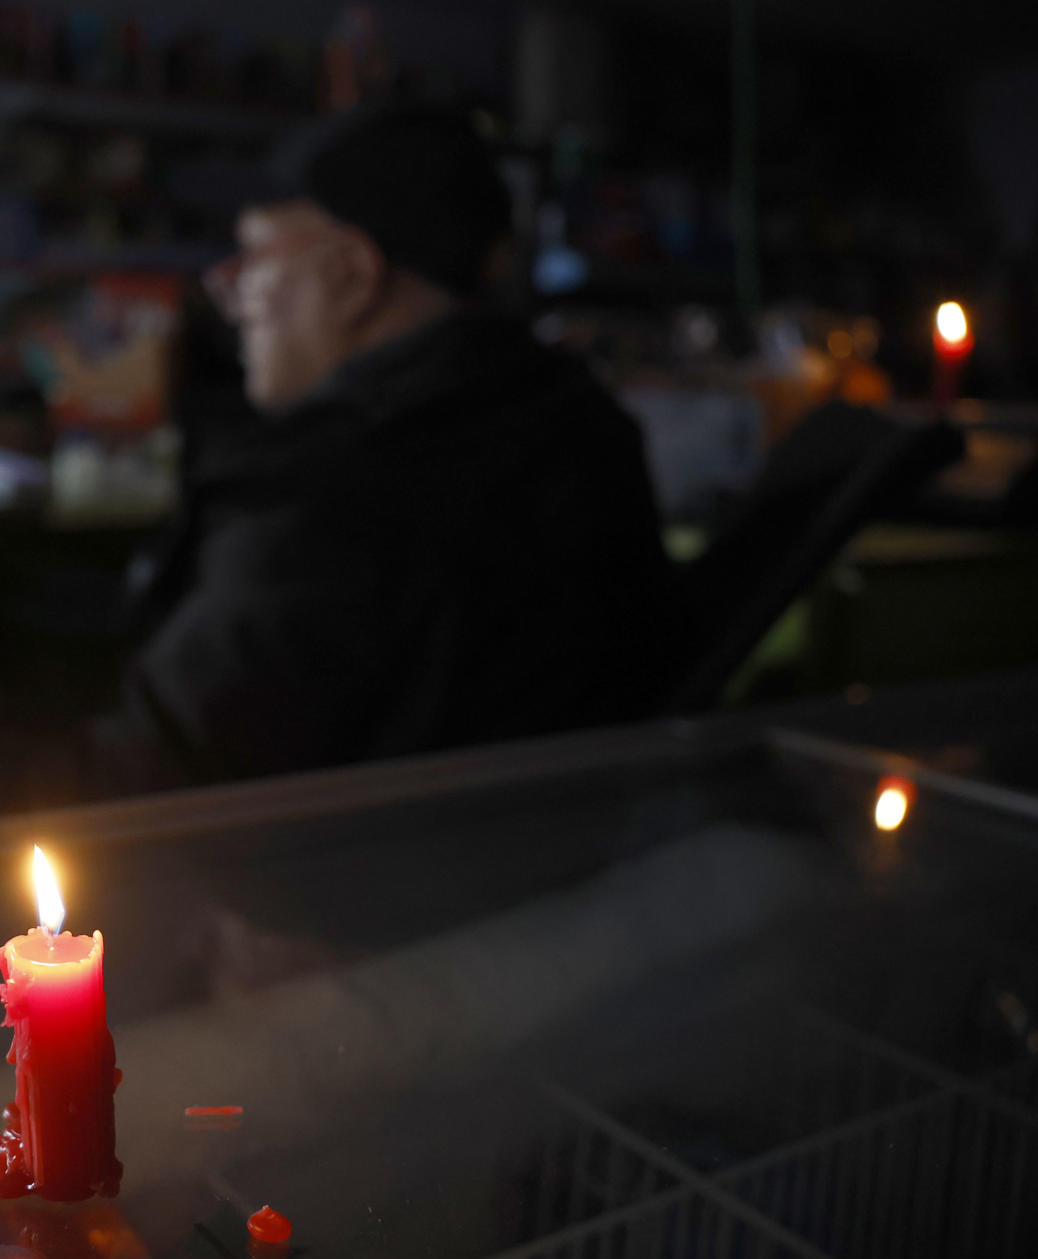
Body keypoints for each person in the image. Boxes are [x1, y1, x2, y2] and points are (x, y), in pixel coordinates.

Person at [85, 101, 679, 793]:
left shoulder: (337, 488)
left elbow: (159, 767)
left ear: (353, 274)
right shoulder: (576, 424)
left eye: (253, 256)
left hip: (358, 890)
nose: (229, 291)